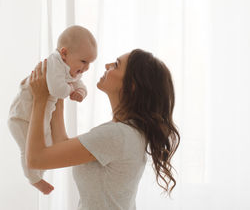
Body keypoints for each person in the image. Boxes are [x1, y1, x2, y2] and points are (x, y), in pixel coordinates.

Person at [27, 49, 180, 209]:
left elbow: (35, 160)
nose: (107, 65)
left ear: (132, 85)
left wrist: (40, 98)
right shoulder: (130, 132)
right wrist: (56, 91)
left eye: (116, 65)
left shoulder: (117, 135)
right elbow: (61, 144)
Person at [8, 25, 97, 194]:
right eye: (84, 61)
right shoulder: (54, 63)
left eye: (90, 63)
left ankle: (38, 175)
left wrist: (80, 92)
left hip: (39, 118)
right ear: (64, 53)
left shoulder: (71, 68)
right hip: (20, 117)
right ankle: (34, 179)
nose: (86, 68)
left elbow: (79, 84)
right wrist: (71, 90)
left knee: (46, 148)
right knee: (28, 151)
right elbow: (58, 90)